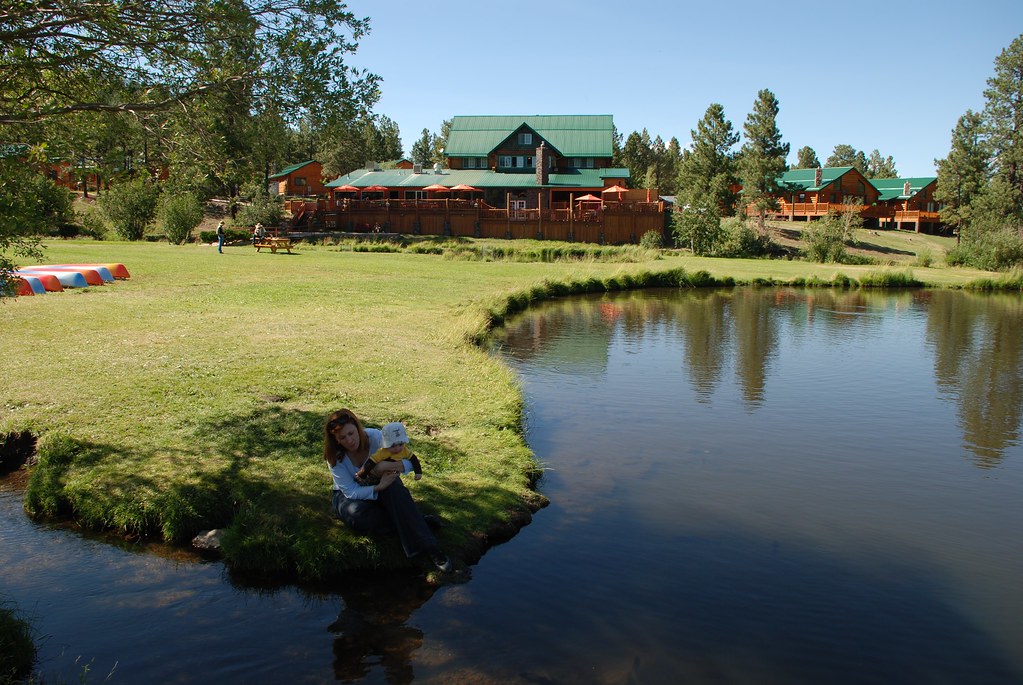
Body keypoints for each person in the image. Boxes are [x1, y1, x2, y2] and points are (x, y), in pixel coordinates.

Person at [324, 409, 451, 572]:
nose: (349, 440)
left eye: (351, 433)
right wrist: (379, 487)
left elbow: (410, 462)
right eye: (342, 437)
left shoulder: (376, 438)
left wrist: (384, 466)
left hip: (384, 481)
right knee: (357, 516)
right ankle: (418, 521)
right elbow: (350, 491)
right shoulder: (334, 456)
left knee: (397, 492)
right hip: (348, 495)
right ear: (336, 440)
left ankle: (432, 548)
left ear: (357, 427)